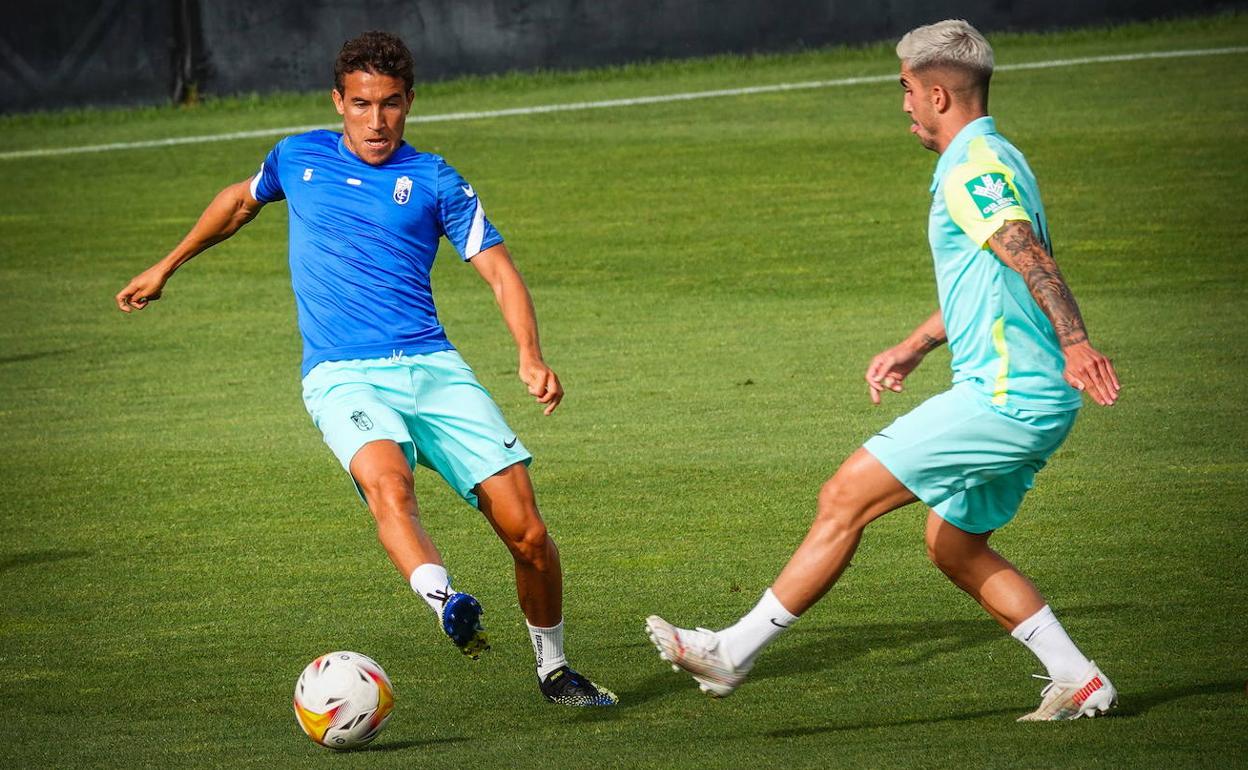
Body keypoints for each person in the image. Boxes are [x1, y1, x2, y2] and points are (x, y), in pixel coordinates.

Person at [116, 30, 616, 707]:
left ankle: (555, 671)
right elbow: (239, 201)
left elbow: (499, 272)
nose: (375, 121)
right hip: (341, 374)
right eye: (360, 105)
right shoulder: (298, 157)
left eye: (388, 105)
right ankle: (444, 599)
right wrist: (165, 266)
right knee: (389, 482)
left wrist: (529, 354)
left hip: (434, 367)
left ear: (409, 102)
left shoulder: (437, 179)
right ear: (338, 102)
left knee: (528, 533)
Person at [646, 19, 1120, 721]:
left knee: (845, 495)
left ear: (935, 94)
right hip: (1033, 395)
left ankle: (732, 651)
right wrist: (918, 344)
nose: (901, 105)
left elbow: (1028, 256)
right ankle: (1079, 679)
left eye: (903, 89)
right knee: (953, 544)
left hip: (1007, 395)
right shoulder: (999, 156)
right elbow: (994, 276)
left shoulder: (973, 167)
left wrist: (1078, 341)